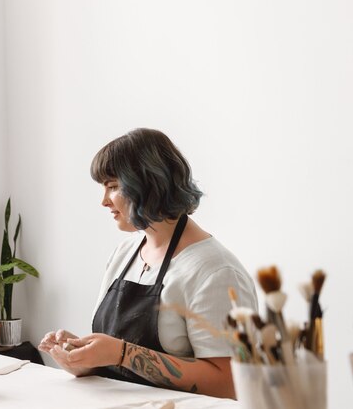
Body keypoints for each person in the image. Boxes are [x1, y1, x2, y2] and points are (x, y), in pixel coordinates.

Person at [38, 128, 257, 399]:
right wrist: (84, 356)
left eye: (113, 186)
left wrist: (122, 354)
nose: (104, 201)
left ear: (148, 184)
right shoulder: (124, 253)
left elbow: (231, 383)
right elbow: (117, 365)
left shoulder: (215, 272)